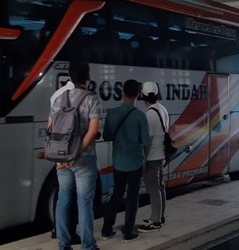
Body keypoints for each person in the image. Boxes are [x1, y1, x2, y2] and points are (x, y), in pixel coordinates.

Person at [49, 61, 102, 250]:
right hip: (84, 159)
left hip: (62, 159)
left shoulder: (58, 99)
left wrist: (60, 156)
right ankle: (88, 245)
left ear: (70, 78)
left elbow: (50, 129)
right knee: (84, 202)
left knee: (63, 199)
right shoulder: (92, 99)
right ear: (88, 77)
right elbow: (93, 131)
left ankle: (63, 245)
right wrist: (76, 153)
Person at [101, 79, 150, 243]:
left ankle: (107, 229)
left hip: (118, 163)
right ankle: (127, 232)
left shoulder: (112, 113)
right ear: (138, 95)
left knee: (116, 194)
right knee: (132, 197)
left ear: (122, 93)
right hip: (135, 163)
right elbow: (145, 140)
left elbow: (106, 136)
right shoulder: (140, 116)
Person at [49, 79, 79, 244]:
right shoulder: (81, 96)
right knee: (72, 194)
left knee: (60, 193)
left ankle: (57, 229)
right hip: (72, 152)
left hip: (57, 150)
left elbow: (50, 125)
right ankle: (69, 234)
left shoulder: (56, 95)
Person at [138, 81, 169, 233]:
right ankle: (160, 216)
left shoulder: (149, 114)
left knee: (153, 188)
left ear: (143, 96)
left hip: (153, 156)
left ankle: (155, 221)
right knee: (160, 186)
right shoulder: (162, 109)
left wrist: (144, 157)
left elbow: (148, 140)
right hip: (161, 154)